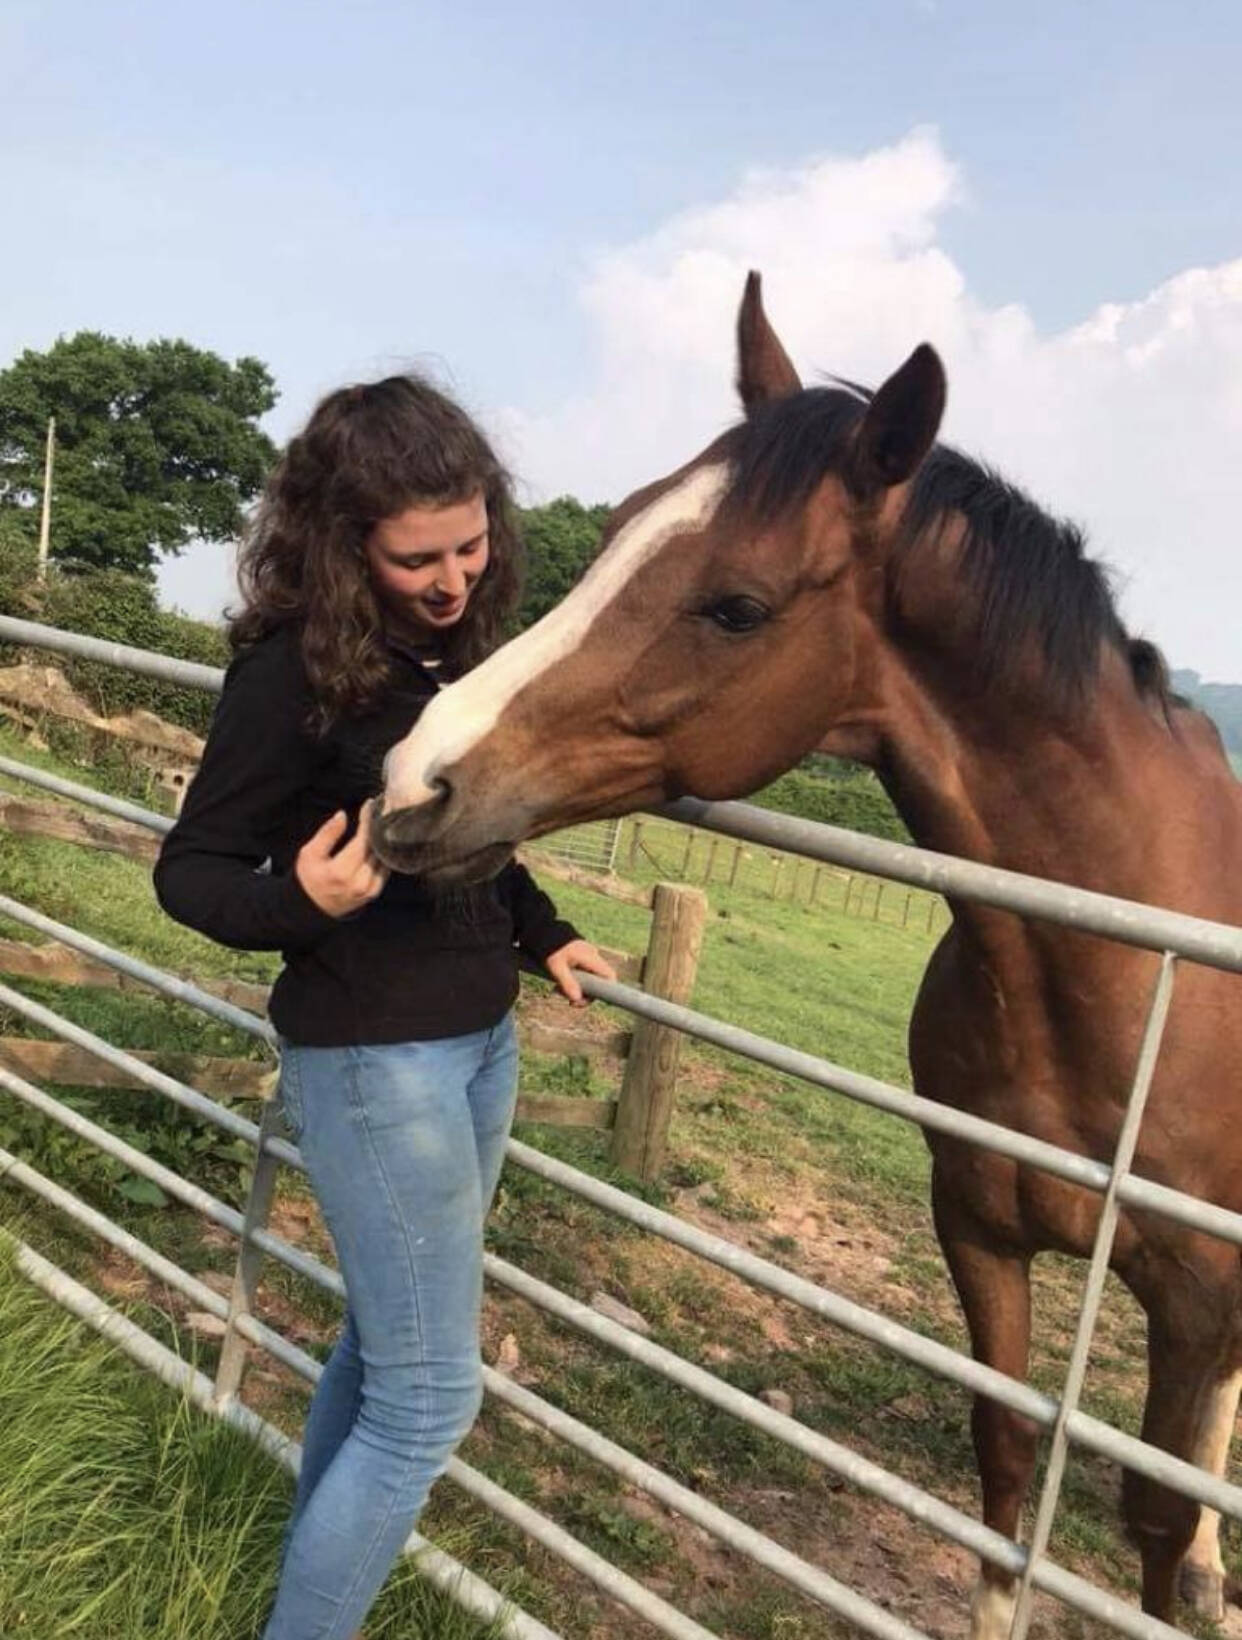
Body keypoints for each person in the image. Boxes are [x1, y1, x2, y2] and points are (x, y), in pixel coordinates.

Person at [153, 374, 615, 1640]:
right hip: (373, 1058)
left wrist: (547, 934)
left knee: (380, 1349)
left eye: (472, 542)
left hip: (478, 1042)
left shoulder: (456, 658)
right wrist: (298, 899)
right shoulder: (288, 676)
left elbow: (473, 837)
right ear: (345, 544)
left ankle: (306, 1587)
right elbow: (188, 872)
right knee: (428, 1400)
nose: (456, 575)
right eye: (419, 557)